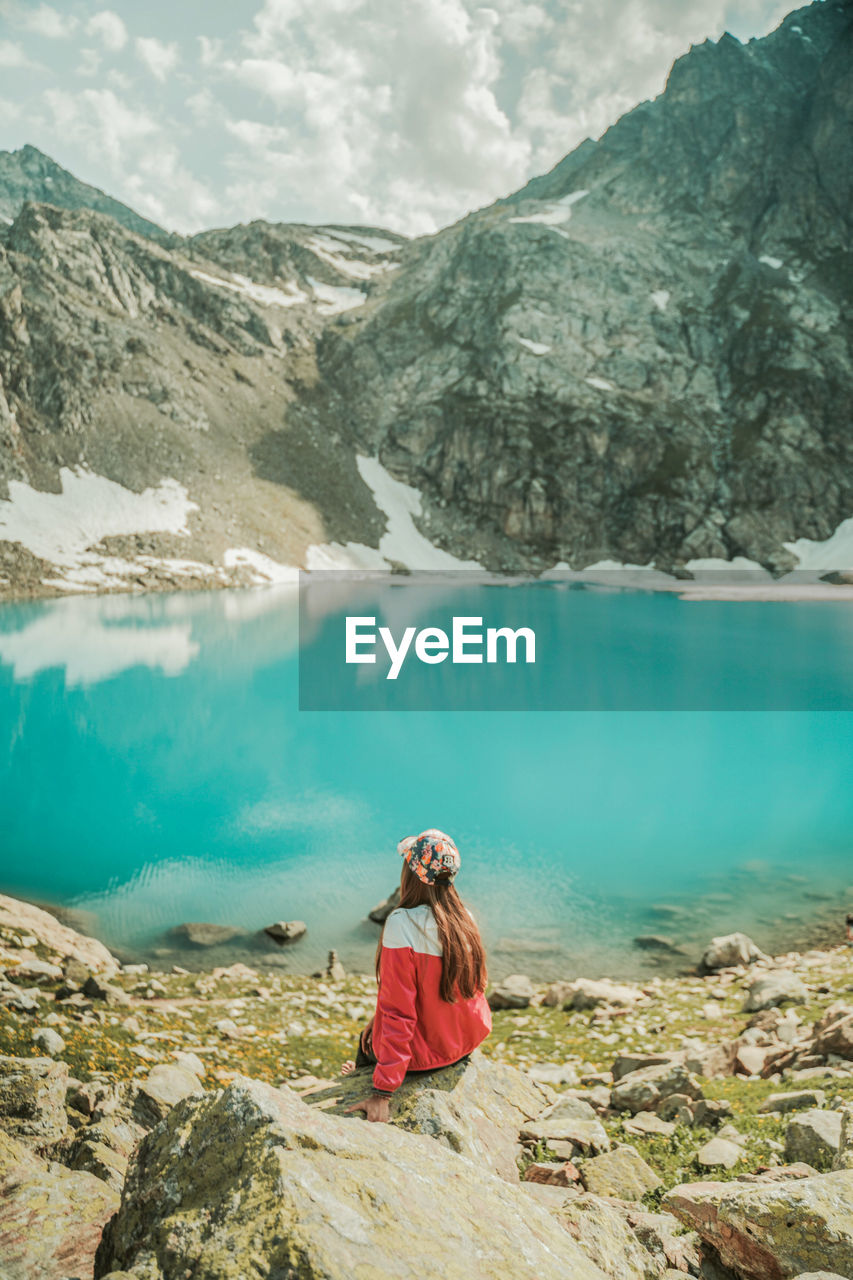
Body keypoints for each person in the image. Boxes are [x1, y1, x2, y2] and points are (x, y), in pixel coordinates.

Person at [344, 828, 491, 1123]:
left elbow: (399, 1012)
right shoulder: (465, 919)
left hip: (423, 1059)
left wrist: (382, 1092)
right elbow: (476, 988)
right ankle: (361, 1069)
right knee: (379, 1022)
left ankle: (360, 1074)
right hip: (462, 1045)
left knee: (367, 1038)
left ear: (412, 875)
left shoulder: (402, 924)